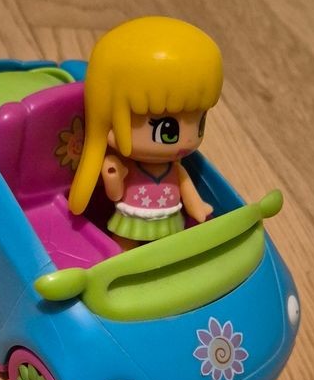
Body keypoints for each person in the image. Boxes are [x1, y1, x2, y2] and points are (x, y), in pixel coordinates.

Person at [68, 16, 223, 248]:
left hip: (168, 218)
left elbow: (186, 187)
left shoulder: (175, 168)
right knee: (125, 243)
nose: (187, 140)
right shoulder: (125, 166)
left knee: (168, 246)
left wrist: (197, 207)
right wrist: (113, 177)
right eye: (167, 131)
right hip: (133, 217)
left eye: (199, 123)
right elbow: (115, 195)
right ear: (110, 123)